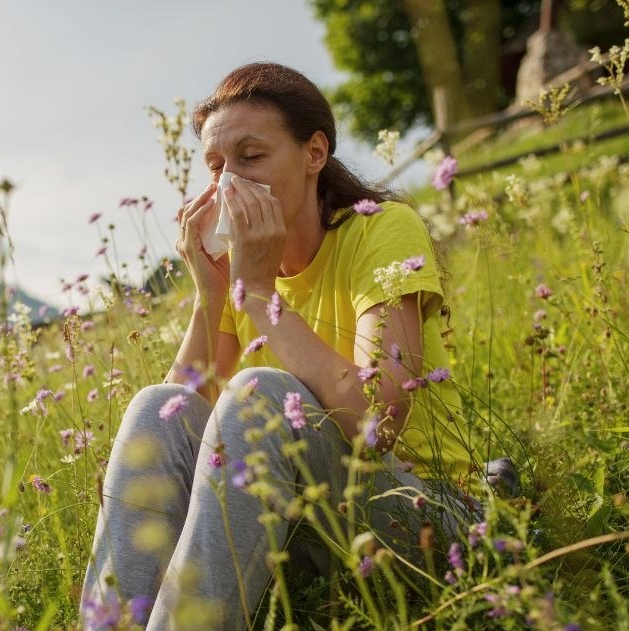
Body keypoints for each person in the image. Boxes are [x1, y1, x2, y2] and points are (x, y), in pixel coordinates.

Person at [80, 62, 487, 630]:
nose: (228, 184)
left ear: (314, 154)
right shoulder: (239, 276)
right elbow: (179, 422)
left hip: (421, 513)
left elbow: (378, 423)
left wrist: (257, 295)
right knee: (154, 405)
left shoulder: (381, 229)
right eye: (216, 166)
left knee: (260, 394)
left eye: (251, 158)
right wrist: (212, 294)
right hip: (300, 524)